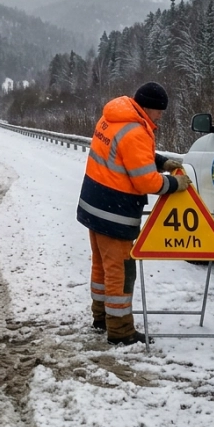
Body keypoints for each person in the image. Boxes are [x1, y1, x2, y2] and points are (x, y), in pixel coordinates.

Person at [76, 81, 189, 345]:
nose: (161, 116)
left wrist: (160, 160)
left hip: (94, 205)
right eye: (159, 111)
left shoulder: (114, 118)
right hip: (114, 212)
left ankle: (101, 316)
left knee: (102, 265)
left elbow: (127, 154)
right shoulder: (136, 131)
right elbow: (146, 181)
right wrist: (174, 183)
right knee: (121, 271)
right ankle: (121, 330)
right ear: (147, 108)